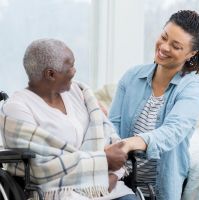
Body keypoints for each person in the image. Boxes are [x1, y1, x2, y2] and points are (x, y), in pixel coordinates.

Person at [0, 39, 137, 200]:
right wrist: (103, 159)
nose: (74, 70)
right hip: (59, 192)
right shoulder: (16, 108)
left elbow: (109, 137)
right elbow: (41, 167)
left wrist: (114, 175)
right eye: (70, 66)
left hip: (107, 186)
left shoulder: (79, 92)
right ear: (50, 74)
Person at [109, 10, 199, 200]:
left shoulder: (191, 87)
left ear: (191, 53)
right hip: (119, 176)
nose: (163, 47)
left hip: (159, 183)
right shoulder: (132, 76)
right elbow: (113, 123)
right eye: (164, 37)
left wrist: (131, 143)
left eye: (176, 46)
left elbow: (173, 131)